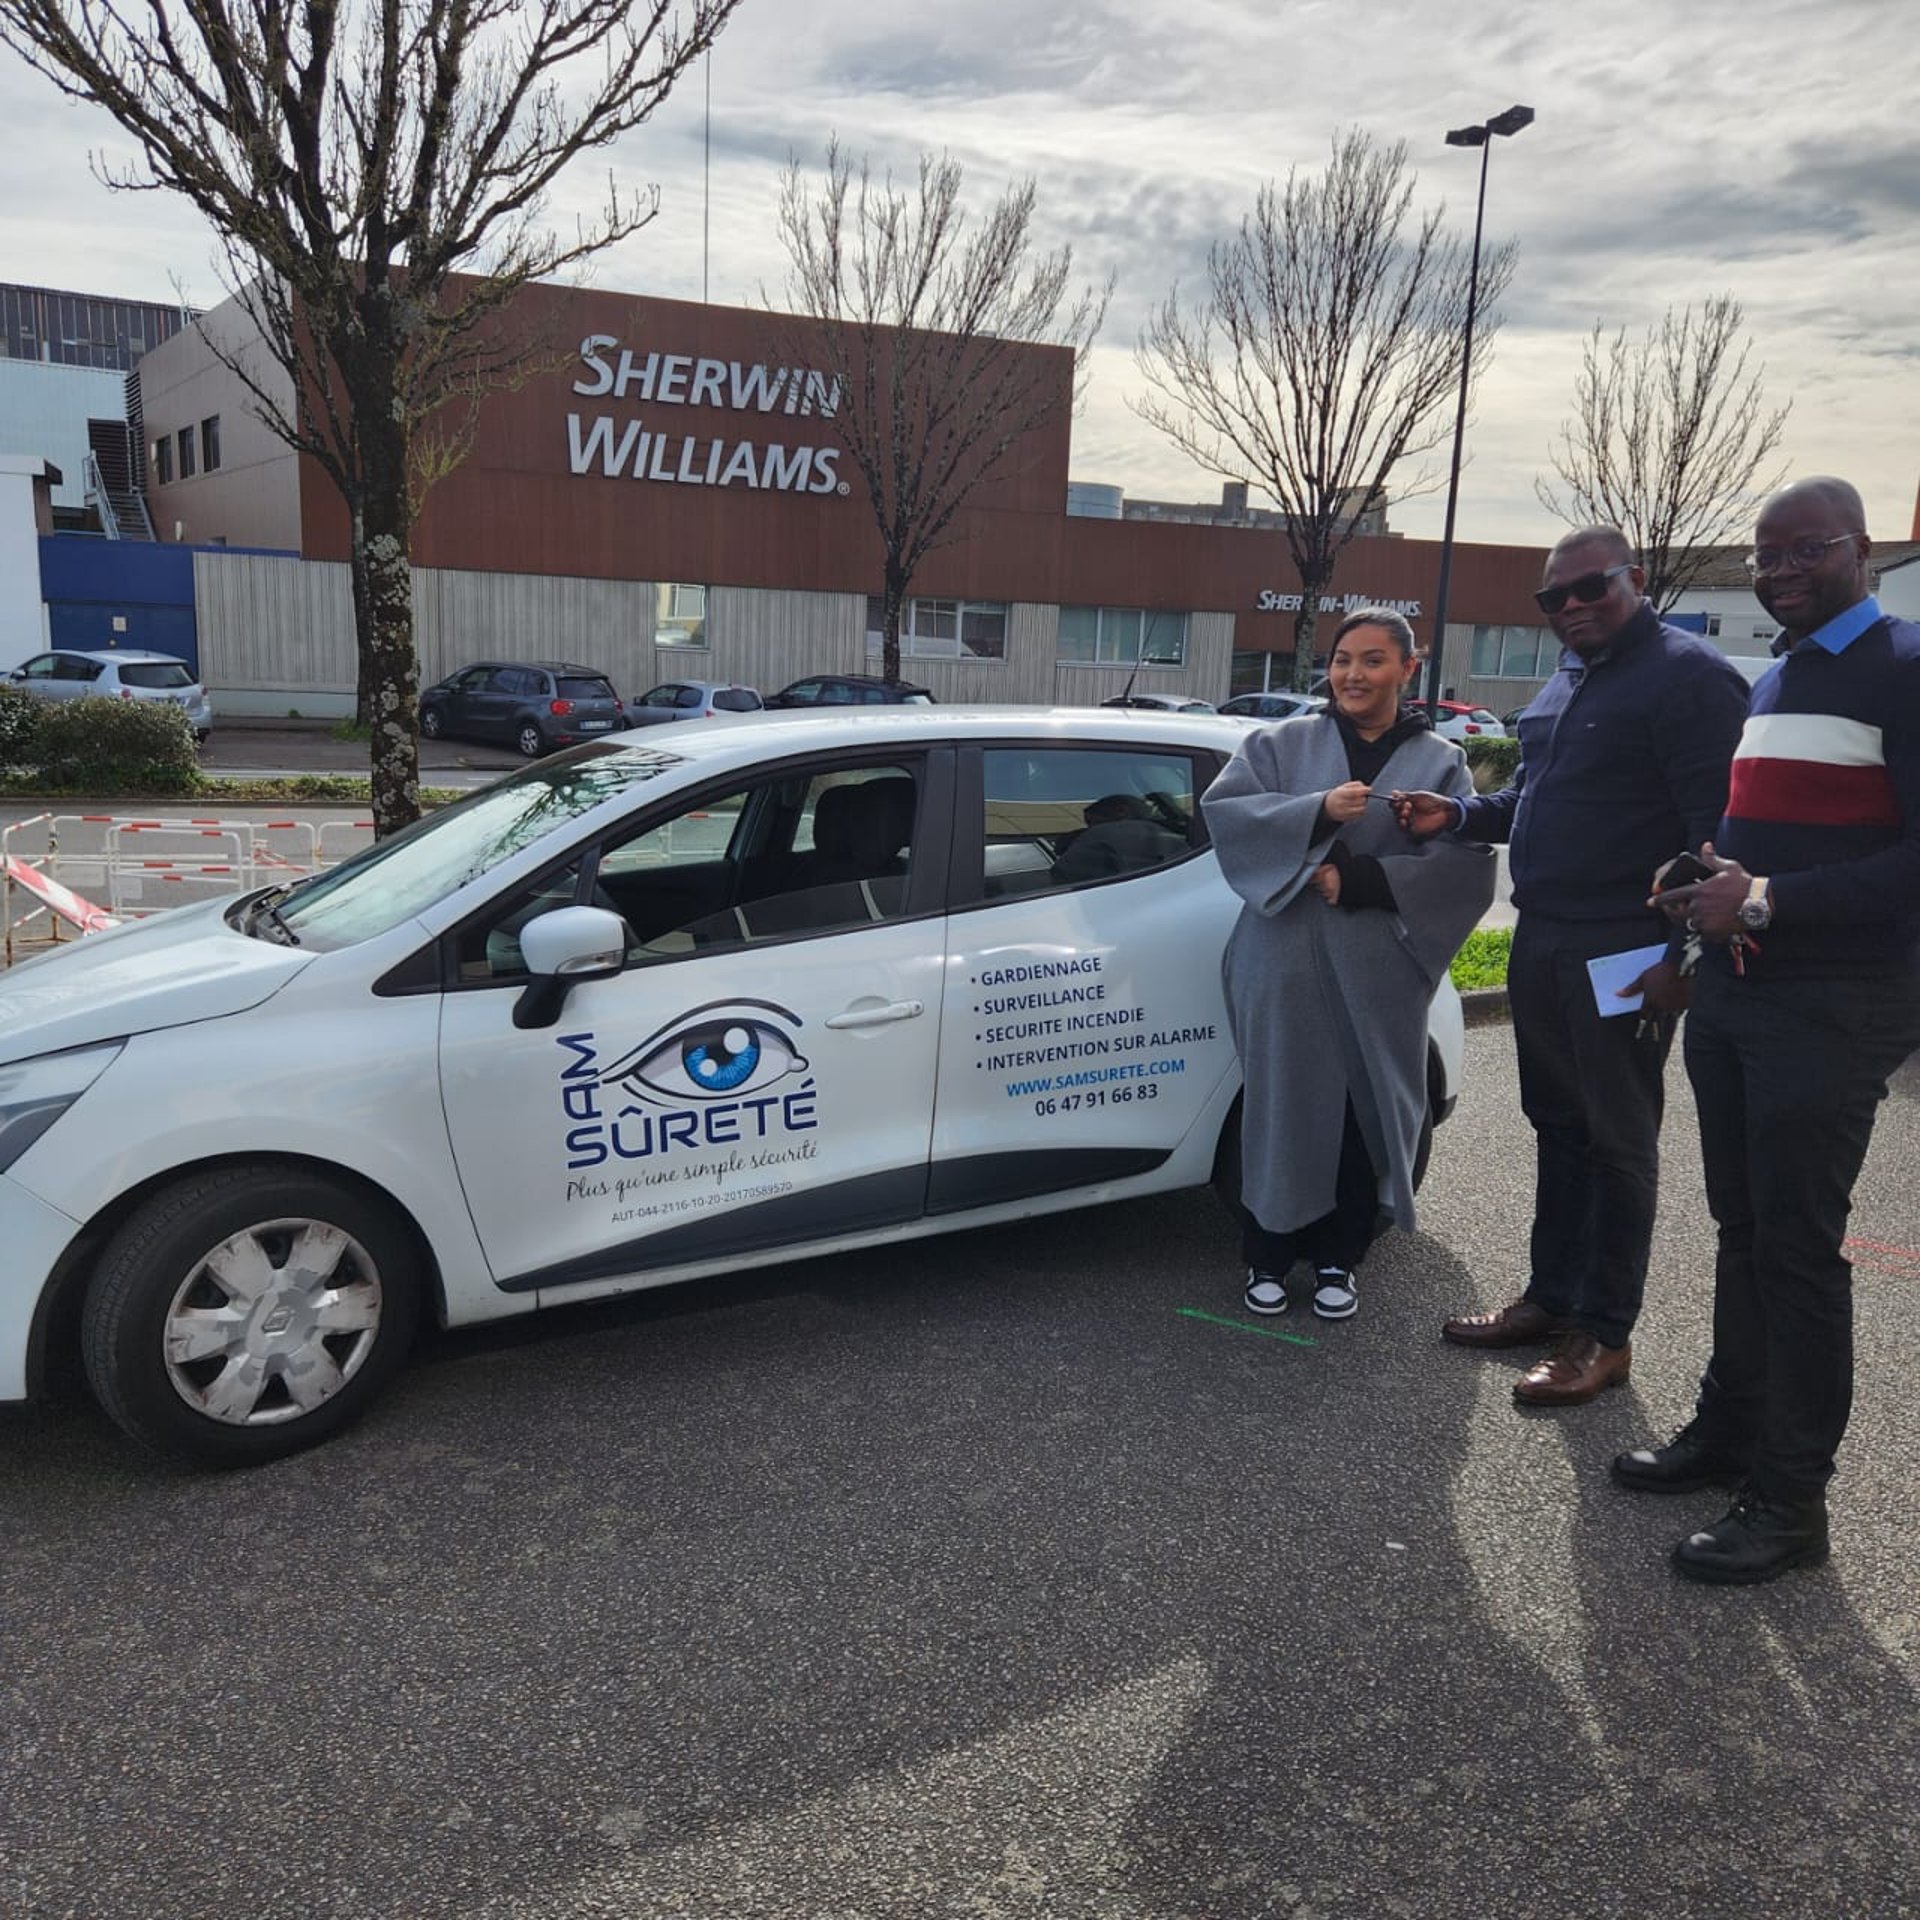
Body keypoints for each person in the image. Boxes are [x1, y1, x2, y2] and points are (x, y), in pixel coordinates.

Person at [1618, 477, 1920, 1584]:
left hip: (1836, 1000)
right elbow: (1785, 834)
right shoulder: (1780, 674)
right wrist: (1711, 879)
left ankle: (1792, 1503)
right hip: (1741, 991)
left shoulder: (1906, 664)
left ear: (1864, 550)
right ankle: (1731, 1429)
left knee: (1796, 1248)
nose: (1779, 570)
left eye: (1806, 549)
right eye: (1764, 553)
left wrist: (1766, 899)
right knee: (1743, 1229)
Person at [1395, 528, 1749, 1405]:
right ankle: (1552, 1298)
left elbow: (1716, 840)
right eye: (1554, 598)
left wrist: (1683, 962)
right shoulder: (1569, 677)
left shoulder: (1690, 678)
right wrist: (1459, 815)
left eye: (1592, 587)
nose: (1573, 607)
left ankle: (1604, 1332)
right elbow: (1534, 799)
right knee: (1556, 1122)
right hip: (1545, 934)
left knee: (1618, 1140)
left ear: (1635, 580)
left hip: (1624, 945)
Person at [1204, 608, 1493, 1320]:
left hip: (1379, 971)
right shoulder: (1278, 743)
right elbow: (1228, 816)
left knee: (1363, 1112)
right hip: (1281, 962)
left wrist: (1361, 880)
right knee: (1279, 1106)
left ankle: (1340, 1255)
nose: (1352, 675)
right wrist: (1318, 811)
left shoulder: (1441, 762)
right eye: (1341, 660)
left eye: (1372, 660)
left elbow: (1465, 865)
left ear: (1407, 669)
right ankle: (1268, 1254)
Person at [1052, 792, 1185, 885]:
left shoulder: (1106, 834)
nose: (1089, 829)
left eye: (1092, 822)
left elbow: (1064, 875)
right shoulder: (1172, 836)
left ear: (1122, 811)